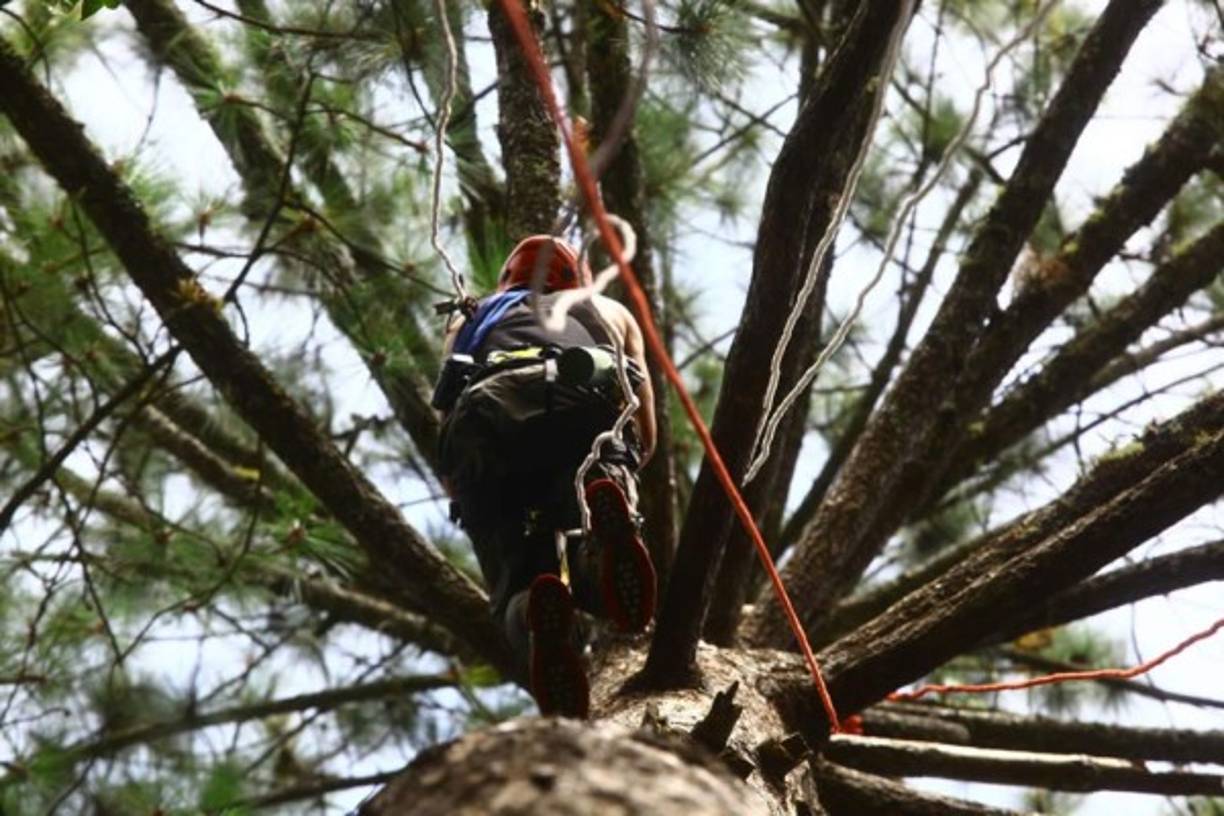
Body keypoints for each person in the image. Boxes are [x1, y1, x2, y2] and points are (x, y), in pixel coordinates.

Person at [432, 235, 657, 718]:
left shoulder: (472, 316)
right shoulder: (609, 310)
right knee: (605, 463)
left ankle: (535, 616)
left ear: (508, 276)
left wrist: (464, 487)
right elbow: (643, 416)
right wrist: (630, 456)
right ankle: (603, 538)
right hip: (582, 408)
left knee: (519, 576)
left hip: (490, 423)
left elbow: (447, 407)